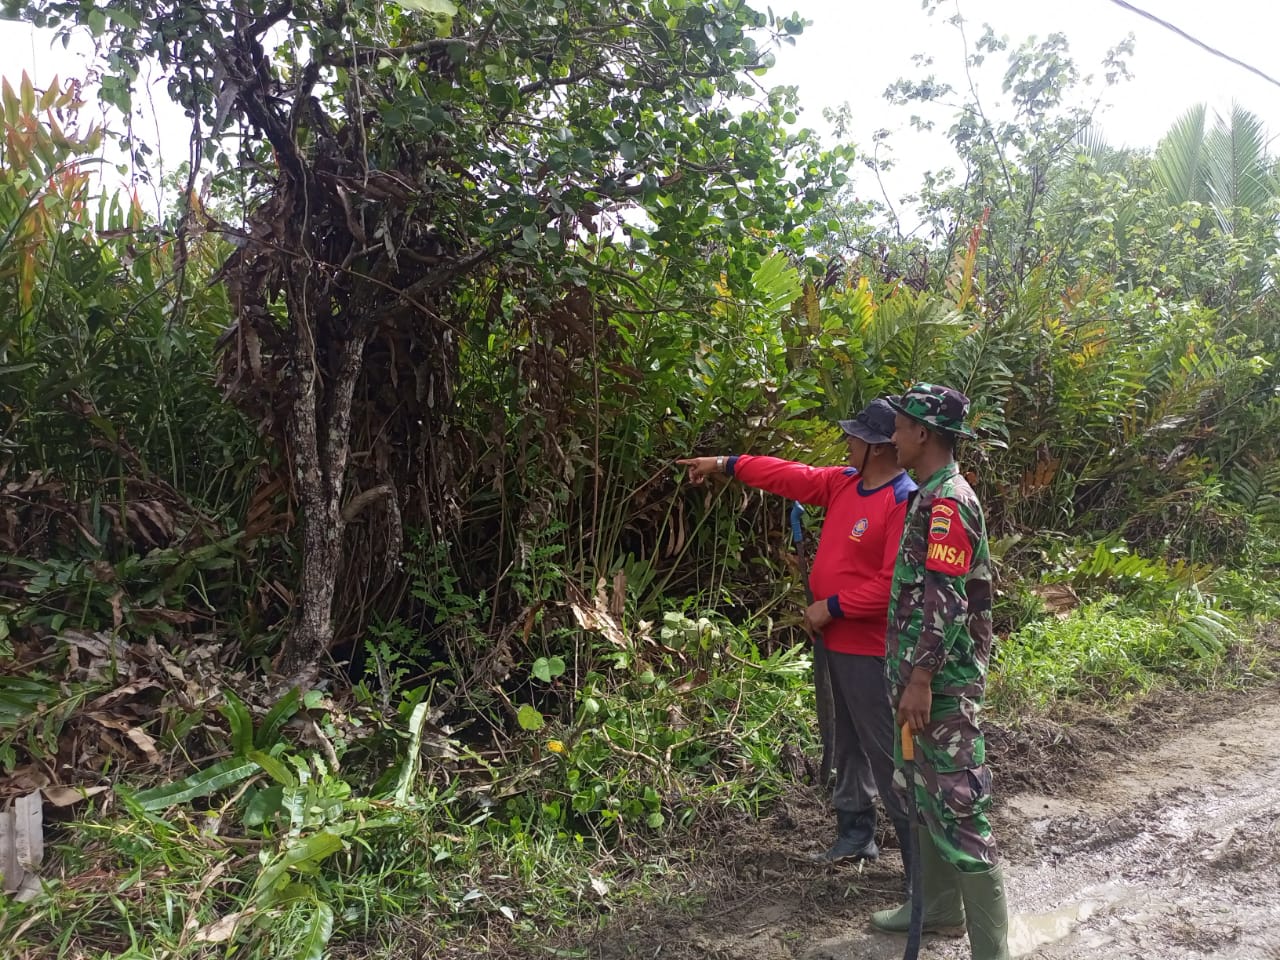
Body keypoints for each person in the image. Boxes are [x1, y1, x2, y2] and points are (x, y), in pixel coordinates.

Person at [678, 398, 917, 869]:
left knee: (887, 754)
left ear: (880, 447)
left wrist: (832, 606)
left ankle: (919, 870)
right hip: (835, 646)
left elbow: (894, 583)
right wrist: (726, 464)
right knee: (846, 744)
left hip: (871, 652)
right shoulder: (844, 484)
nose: (847, 442)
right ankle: (855, 835)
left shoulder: (903, 501)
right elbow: (788, 475)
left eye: (856, 436)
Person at [870, 383, 1009, 960]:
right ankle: (942, 911)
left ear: (923, 434)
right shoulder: (928, 494)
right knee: (922, 792)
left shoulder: (950, 501)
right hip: (917, 682)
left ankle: (992, 950)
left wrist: (922, 678)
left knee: (959, 804)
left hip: (942, 687)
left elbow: (946, 598)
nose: (893, 436)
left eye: (900, 427)